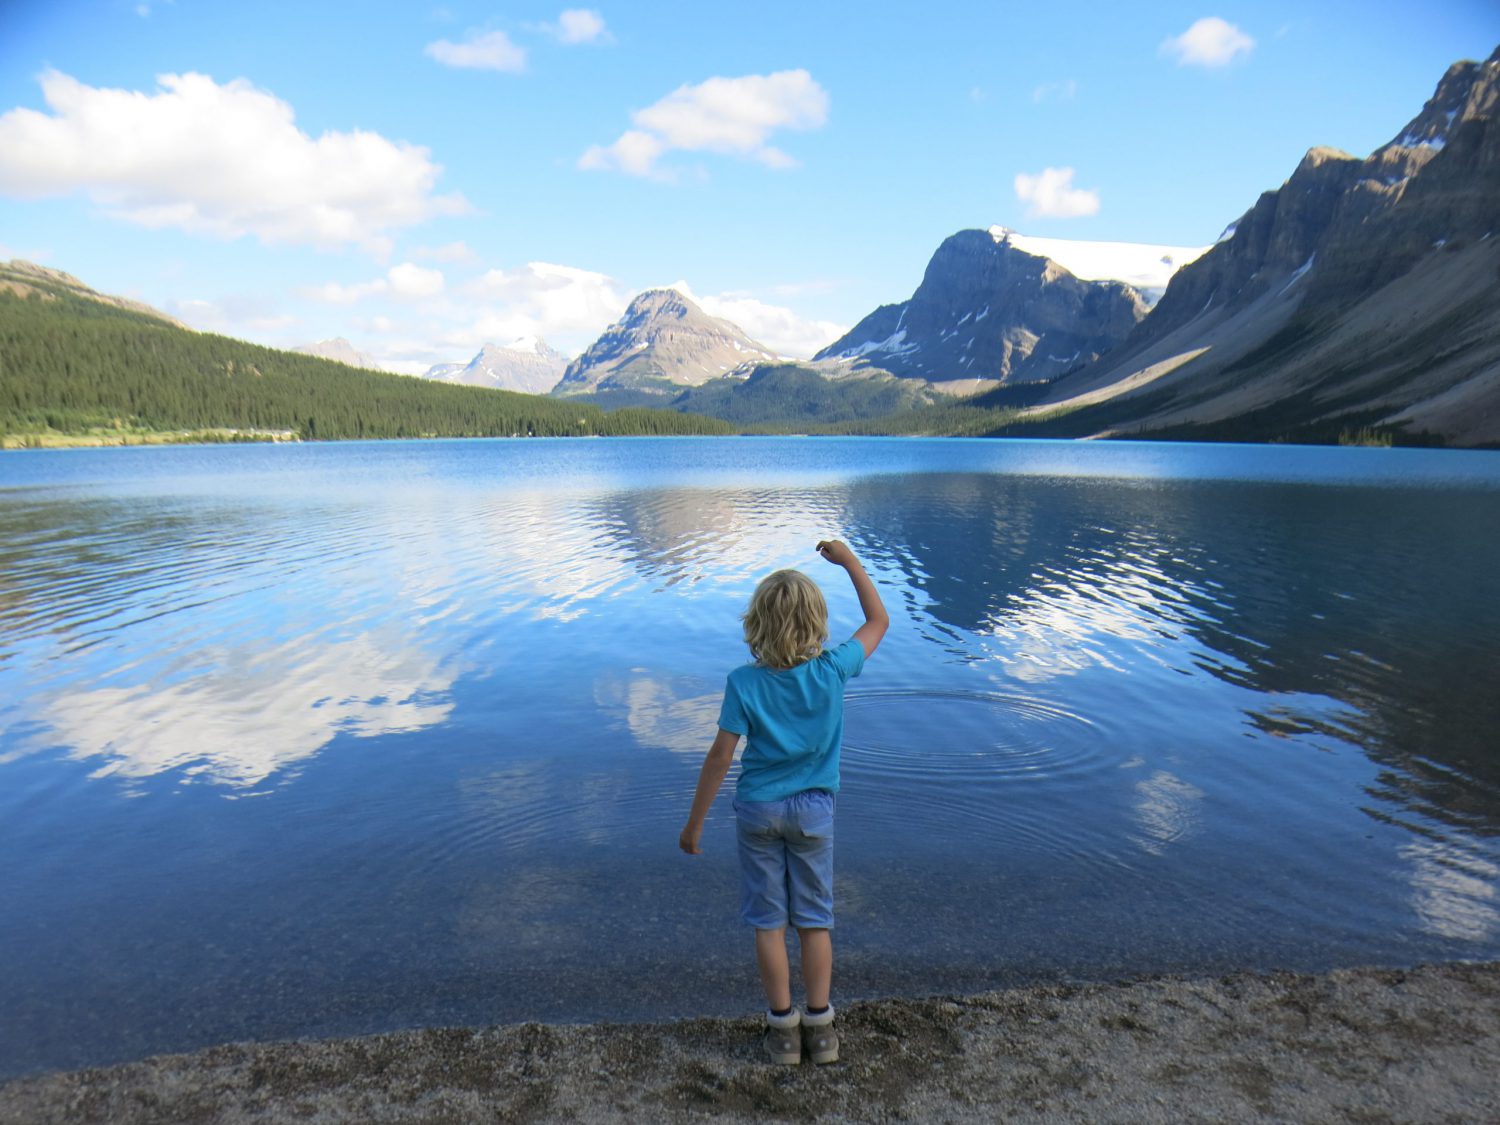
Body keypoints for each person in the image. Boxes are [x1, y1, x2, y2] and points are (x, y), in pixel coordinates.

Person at [679, 539, 888, 1065]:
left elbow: (721, 756)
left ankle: (781, 1033)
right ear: (817, 622)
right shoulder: (833, 669)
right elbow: (879, 620)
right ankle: (821, 1030)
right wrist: (850, 563)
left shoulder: (742, 683)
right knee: (815, 920)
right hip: (816, 811)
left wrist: (694, 824)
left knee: (768, 921)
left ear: (756, 624)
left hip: (758, 813)